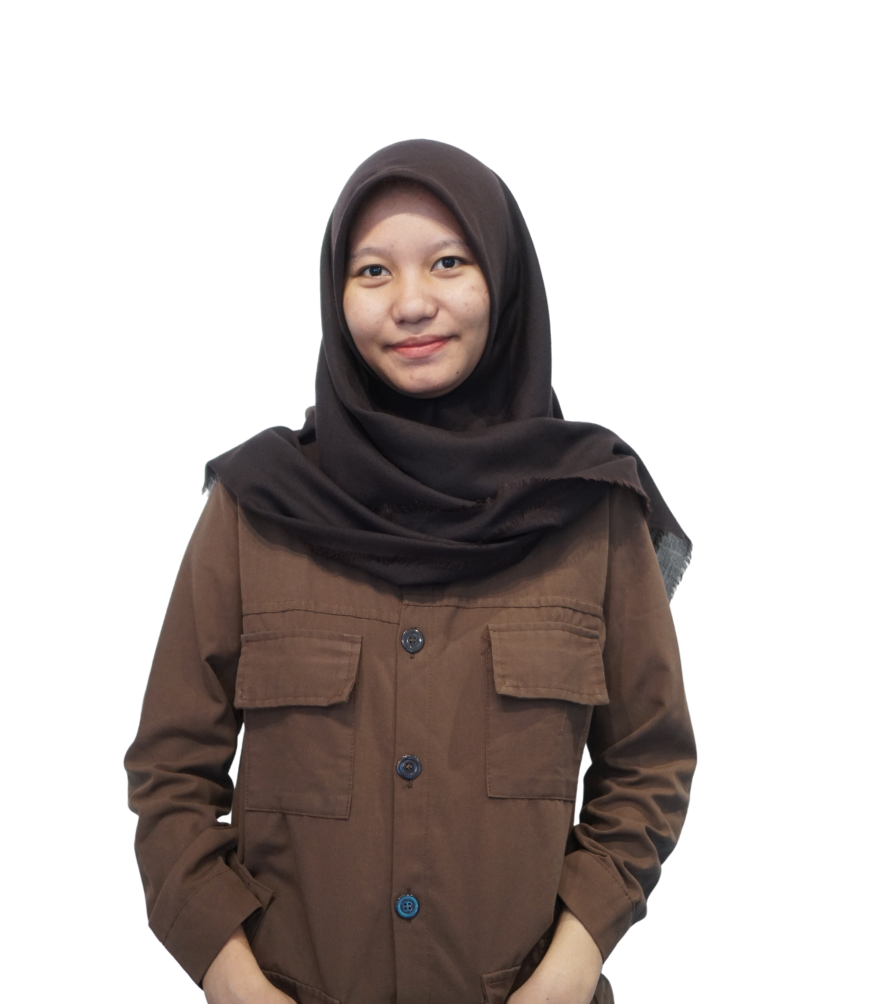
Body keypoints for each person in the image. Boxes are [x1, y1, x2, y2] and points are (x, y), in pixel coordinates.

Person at [125, 139, 696, 1004]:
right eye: (372, 272)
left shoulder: (592, 508)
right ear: (336, 294)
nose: (412, 303)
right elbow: (170, 772)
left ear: (504, 279)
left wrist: (573, 965)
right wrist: (234, 980)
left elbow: (649, 762)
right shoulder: (256, 504)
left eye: (448, 262)